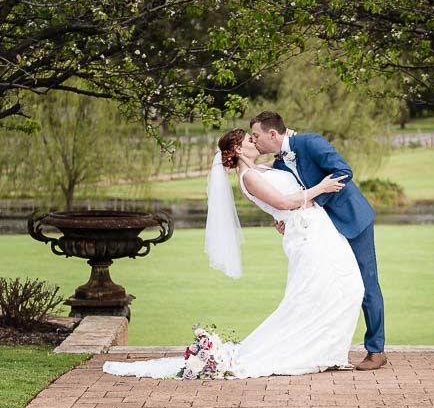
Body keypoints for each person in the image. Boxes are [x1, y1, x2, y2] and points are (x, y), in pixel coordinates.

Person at [102, 128, 364, 379]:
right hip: (307, 235)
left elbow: (288, 176)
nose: (256, 142)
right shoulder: (248, 178)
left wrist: (290, 139)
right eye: (251, 139)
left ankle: (324, 351)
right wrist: (322, 187)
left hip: (317, 229)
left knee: (342, 288)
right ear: (238, 149)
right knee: (323, 291)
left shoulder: (262, 169)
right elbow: (283, 203)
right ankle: (316, 353)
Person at [249, 111, 386, 371]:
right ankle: (324, 347)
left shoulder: (310, 142)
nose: (255, 141)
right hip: (321, 230)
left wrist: (314, 201)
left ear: (272, 134)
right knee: (328, 285)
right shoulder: (279, 163)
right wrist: (286, 219)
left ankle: (376, 350)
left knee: (367, 283)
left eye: (256, 136)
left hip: (351, 220)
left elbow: (343, 172)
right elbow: (289, 197)